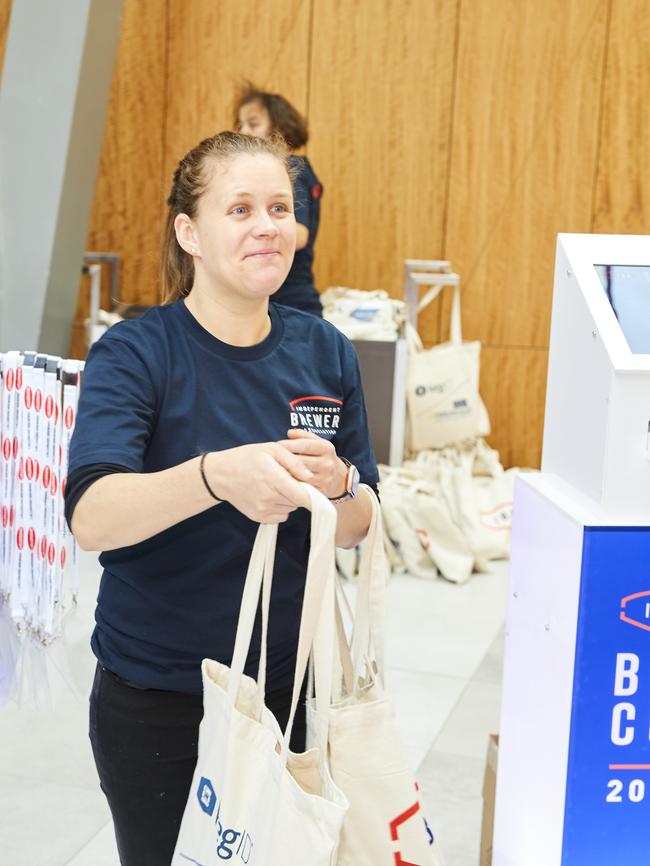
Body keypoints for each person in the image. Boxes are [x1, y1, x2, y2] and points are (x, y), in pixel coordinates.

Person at [64, 130, 378, 866]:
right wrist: (215, 478)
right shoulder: (138, 353)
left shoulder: (324, 350)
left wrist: (338, 487)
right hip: (163, 697)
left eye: (280, 206)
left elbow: (362, 521)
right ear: (190, 233)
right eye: (239, 209)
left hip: (293, 687)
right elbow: (92, 516)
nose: (268, 225)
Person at [235, 84, 324, 316]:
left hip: (292, 301)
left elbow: (301, 235)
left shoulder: (292, 170)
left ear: (280, 128)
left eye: (253, 124)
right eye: (240, 124)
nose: (243, 131)